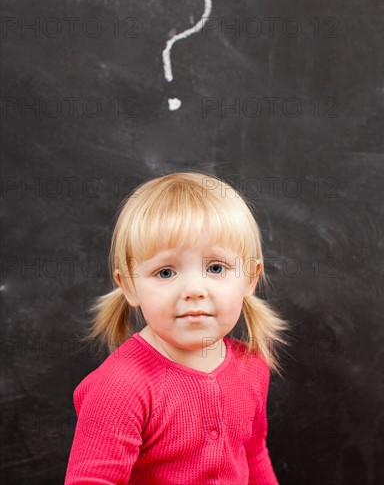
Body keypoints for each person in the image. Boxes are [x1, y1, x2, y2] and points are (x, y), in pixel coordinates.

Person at [64, 170, 290, 484]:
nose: (194, 289)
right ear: (129, 286)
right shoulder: (120, 388)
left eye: (215, 267)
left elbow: (253, 456)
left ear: (250, 278)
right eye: (166, 272)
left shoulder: (251, 367)